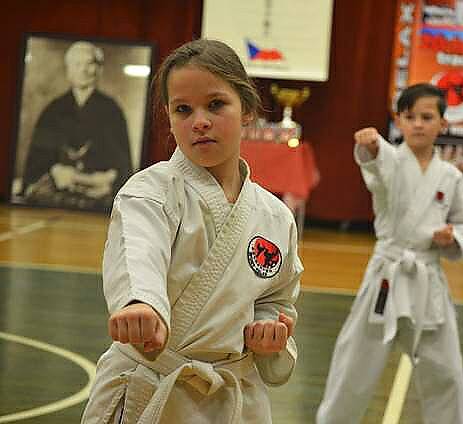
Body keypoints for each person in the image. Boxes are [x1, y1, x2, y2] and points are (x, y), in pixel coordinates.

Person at [80, 38, 302, 424]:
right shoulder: (149, 192)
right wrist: (141, 304)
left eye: (215, 105)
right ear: (168, 117)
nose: (199, 121)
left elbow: (276, 295)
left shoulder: (275, 216)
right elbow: (139, 255)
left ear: (247, 108)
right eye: (183, 109)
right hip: (151, 388)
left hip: (234, 398)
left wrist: (269, 327)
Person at [316, 83, 463, 424]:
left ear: (443, 124)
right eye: (410, 117)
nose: (418, 124)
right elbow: (375, 168)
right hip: (386, 277)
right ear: (400, 123)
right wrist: (370, 146)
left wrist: (451, 237)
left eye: (427, 117)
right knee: (354, 365)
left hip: (427, 279)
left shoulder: (450, 176)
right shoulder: (390, 160)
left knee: (446, 371)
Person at [21, 41, 133, 211]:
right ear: (68, 70)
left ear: (99, 70)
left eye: (89, 63)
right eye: (77, 64)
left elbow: (122, 165)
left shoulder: (112, 111)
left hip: (99, 192)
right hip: (58, 192)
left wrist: (103, 180)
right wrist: (56, 170)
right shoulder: (53, 110)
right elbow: (38, 162)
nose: (83, 70)